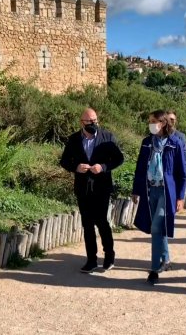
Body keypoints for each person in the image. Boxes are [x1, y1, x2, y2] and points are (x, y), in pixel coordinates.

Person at [60, 108, 125, 273]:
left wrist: (102, 167)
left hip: (102, 187)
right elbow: (64, 161)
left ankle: (109, 256)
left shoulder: (107, 137)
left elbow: (119, 159)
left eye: (95, 120)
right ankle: (91, 260)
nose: (93, 124)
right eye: (89, 121)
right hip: (83, 188)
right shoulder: (74, 139)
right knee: (87, 224)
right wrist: (76, 167)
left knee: (102, 222)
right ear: (82, 123)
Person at [131, 110, 186, 285]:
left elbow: (182, 174)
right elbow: (140, 168)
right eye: (150, 121)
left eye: (154, 121)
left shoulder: (175, 143)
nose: (151, 124)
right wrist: (136, 190)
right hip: (150, 190)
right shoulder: (146, 142)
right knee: (159, 226)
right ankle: (166, 259)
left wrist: (180, 197)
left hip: (166, 192)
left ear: (163, 123)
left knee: (156, 227)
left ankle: (154, 269)